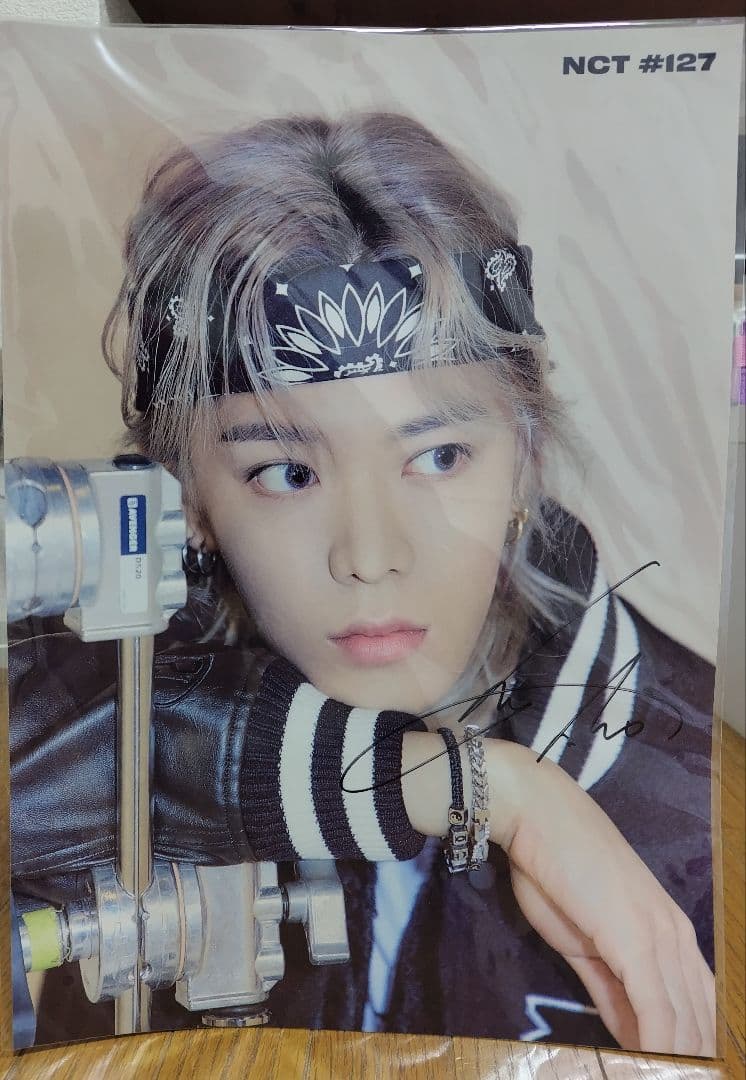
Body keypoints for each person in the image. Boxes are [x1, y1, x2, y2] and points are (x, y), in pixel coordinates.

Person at [9, 111, 717, 1055]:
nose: (370, 555)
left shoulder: (694, 781)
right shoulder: (117, 692)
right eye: (287, 473)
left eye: (440, 456)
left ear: (526, 459)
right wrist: (490, 791)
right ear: (190, 500)